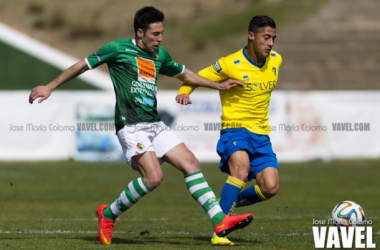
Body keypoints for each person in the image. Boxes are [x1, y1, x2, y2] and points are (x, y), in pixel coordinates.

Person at [28, 6, 254, 246]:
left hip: (154, 124)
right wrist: (49, 86)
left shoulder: (160, 55)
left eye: (161, 33)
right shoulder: (117, 49)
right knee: (154, 178)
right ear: (140, 32)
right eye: (155, 34)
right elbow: (82, 65)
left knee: (191, 163)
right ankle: (108, 214)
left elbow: (185, 74)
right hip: (130, 126)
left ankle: (220, 221)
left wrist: (217, 85)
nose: (160, 39)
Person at [176, 15, 281, 246]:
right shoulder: (229, 63)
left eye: (273, 38)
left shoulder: (276, 60)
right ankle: (219, 232)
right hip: (234, 130)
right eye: (266, 37)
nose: (271, 43)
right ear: (251, 36)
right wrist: (185, 90)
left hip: (261, 136)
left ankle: (224, 203)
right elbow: (197, 76)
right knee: (240, 171)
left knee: (270, 187)